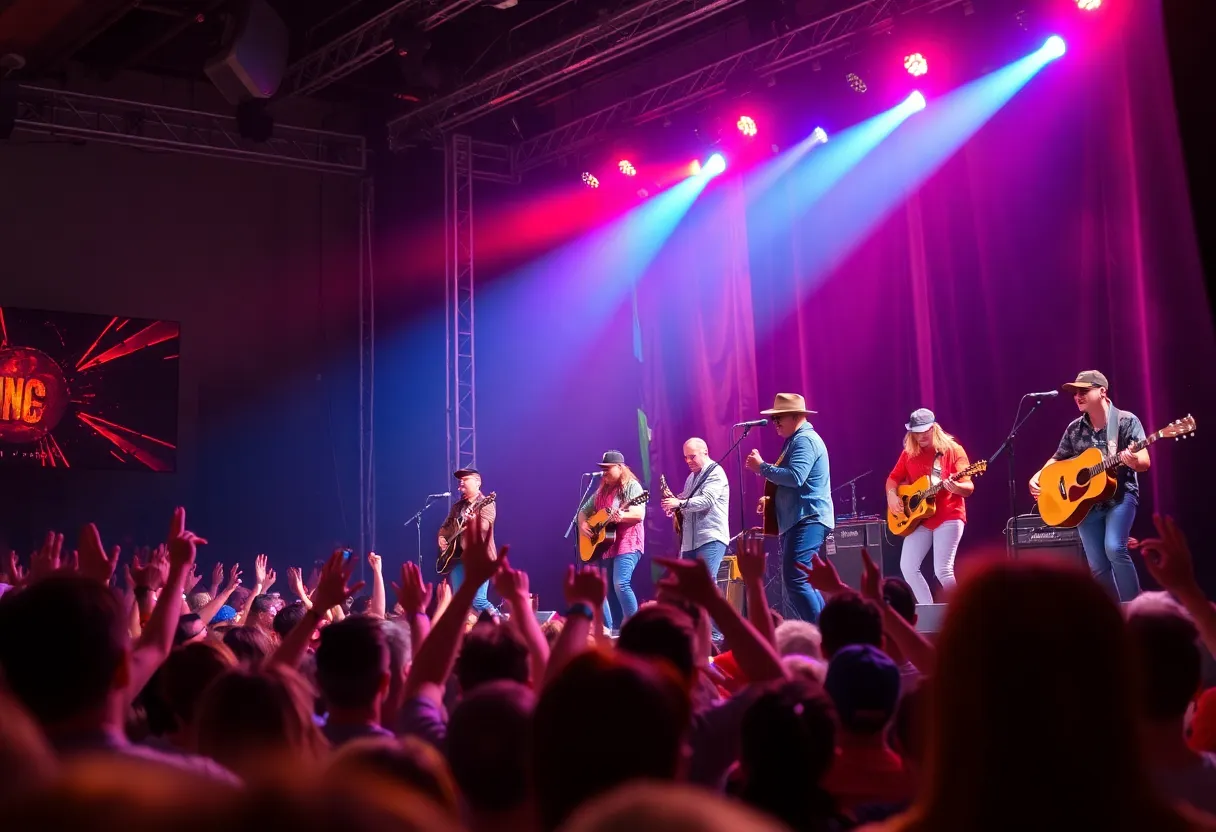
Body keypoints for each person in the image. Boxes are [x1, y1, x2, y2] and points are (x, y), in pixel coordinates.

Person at [1029, 371, 1147, 601]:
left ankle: (1136, 609)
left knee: (1114, 548)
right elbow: (1057, 458)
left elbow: (1144, 462)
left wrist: (1134, 460)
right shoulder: (1075, 428)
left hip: (1120, 496)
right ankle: (1110, 617)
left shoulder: (1126, 421)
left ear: (1102, 391)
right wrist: (1039, 474)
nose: (1077, 396)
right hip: (1085, 503)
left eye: (1084, 391)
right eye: (1075, 393)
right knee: (1097, 565)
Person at [746, 393, 833, 623]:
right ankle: (826, 630)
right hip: (802, 518)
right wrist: (772, 500)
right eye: (774, 419)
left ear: (796, 416)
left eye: (779, 418)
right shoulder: (795, 440)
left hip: (808, 517)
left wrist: (761, 467)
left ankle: (820, 635)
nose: (774, 423)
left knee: (796, 578)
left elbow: (796, 477)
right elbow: (794, 483)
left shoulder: (804, 440)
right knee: (801, 578)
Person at [884, 408, 974, 605]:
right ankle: (928, 610)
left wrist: (956, 486)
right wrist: (892, 496)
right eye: (917, 432)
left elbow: (968, 487)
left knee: (942, 569)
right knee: (908, 566)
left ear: (934, 428)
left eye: (926, 431)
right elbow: (892, 479)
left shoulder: (953, 450)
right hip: (921, 518)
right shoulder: (909, 453)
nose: (922, 436)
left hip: (949, 514)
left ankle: (962, 612)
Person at [660, 438, 729, 640]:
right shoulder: (692, 477)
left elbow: (706, 500)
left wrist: (679, 503)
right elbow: (686, 500)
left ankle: (716, 636)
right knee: (686, 588)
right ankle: (696, 633)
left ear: (705, 452)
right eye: (685, 457)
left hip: (710, 537)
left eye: (692, 456)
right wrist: (673, 505)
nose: (688, 461)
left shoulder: (715, 472)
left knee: (706, 585)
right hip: (690, 541)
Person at [579, 450, 646, 633]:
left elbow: (639, 514)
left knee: (621, 583)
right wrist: (584, 523)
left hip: (628, 542)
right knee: (604, 590)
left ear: (619, 467)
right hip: (606, 546)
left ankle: (636, 629)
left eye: (608, 469)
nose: (604, 473)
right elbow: (583, 512)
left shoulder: (632, 487)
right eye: (602, 469)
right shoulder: (601, 491)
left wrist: (622, 516)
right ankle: (612, 630)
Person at [438, 466, 500, 616]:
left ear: (478, 482)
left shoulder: (487, 502)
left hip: (480, 558)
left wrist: (473, 522)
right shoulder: (457, 506)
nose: (461, 483)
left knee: (478, 601)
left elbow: (485, 526)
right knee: (461, 600)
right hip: (458, 558)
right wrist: (441, 537)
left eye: (465, 479)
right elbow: (446, 526)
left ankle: (503, 623)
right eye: (460, 481)